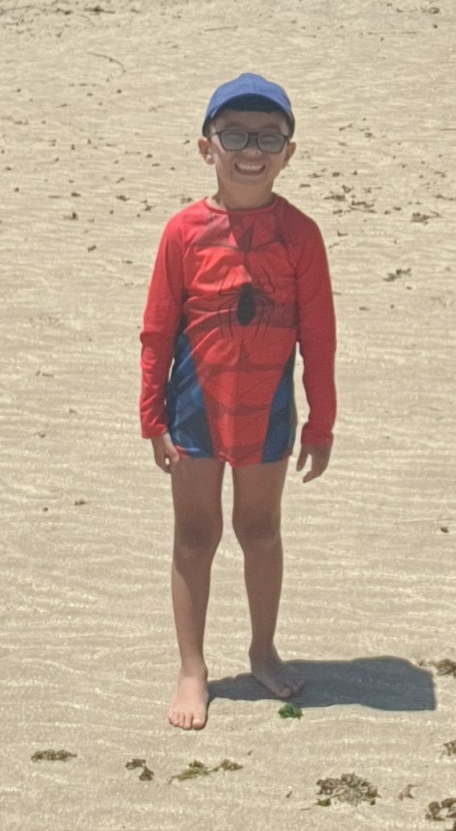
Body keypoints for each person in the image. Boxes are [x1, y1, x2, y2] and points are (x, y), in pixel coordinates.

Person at [140, 73, 334, 733]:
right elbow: (157, 330)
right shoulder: (183, 232)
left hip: (268, 410)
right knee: (195, 534)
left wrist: (322, 421)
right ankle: (192, 667)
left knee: (260, 530)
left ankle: (262, 650)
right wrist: (151, 414)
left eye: (269, 138)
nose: (252, 150)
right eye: (235, 136)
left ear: (289, 153)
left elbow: (319, 337)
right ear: (207, 147)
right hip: (194, 407)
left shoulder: (301, 236)